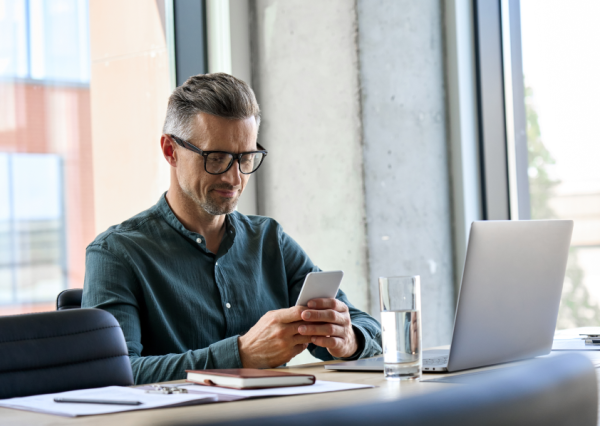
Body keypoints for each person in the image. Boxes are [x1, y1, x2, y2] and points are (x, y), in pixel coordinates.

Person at [82, 73, 382, 384]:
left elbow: (365, 325)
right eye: (217, 158)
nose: (234, 178)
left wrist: (348, 340)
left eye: (246, 158)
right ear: (171, 151)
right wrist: (240, 355)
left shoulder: (269, 241)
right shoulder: (116, 253)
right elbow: (113, 373)